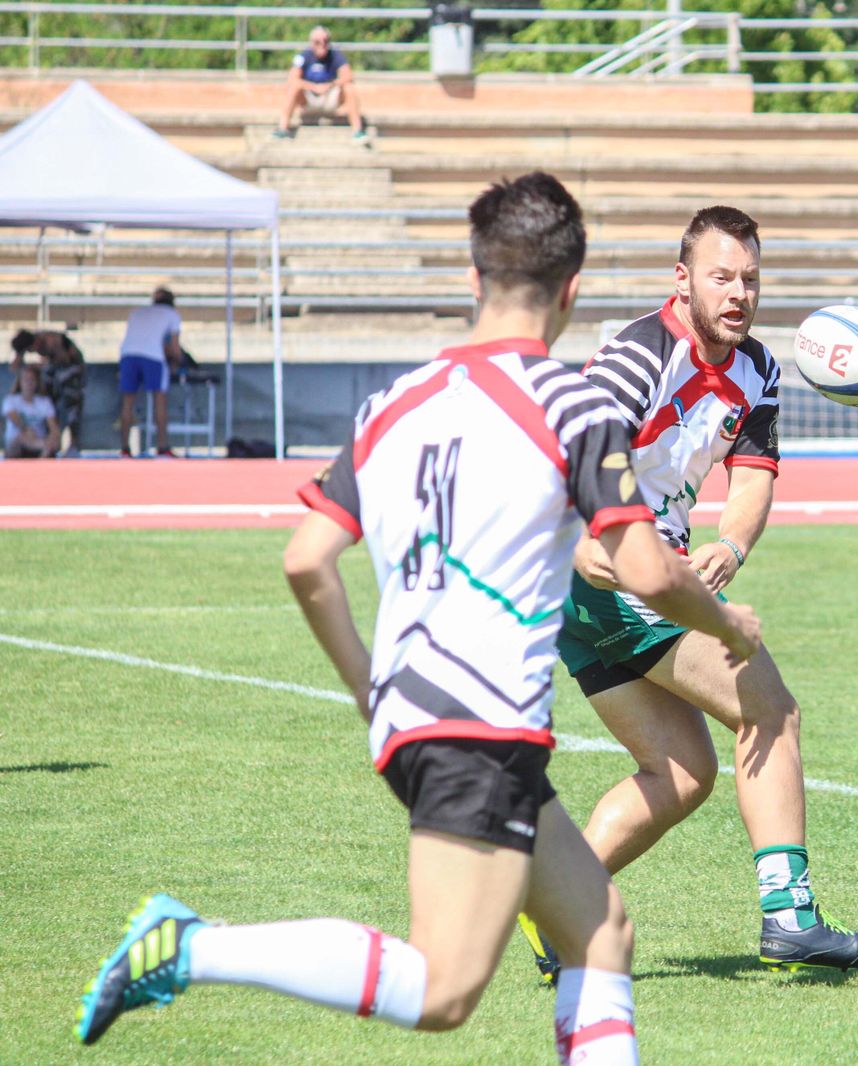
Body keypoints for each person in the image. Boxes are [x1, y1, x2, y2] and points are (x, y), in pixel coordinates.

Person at [75, 172, 763, 1060]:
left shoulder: (389, 405)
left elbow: (306, 558)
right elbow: (645, 571)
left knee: (599, 934)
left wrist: (371, 689)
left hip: (423, 712)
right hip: (482, 722)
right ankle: (190, 946)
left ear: (475, 281)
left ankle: (190, 944)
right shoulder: (572, 403)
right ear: (573, 290)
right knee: (442, 989)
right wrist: (727, 625)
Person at [517, 205, 858, 979]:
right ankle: (790, 920)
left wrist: (732, 542)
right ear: (683, 278)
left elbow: (754, 473)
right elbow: (582, 447)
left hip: (608, 583)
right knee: (770, 708)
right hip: (609, 567)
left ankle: (554, 910)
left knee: (682, 772)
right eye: (722, 277)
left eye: (751, 279)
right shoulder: (639, 354)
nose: (739, 293)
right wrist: (602, 538)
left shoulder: (757, 368)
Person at [117, 287, 182, 458]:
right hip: (153, 356)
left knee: (127, 402)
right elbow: (175, 348)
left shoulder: (137, 312)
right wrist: (181, 361)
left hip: (128, 355)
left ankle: (124, 448)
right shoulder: (171, 314)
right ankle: (162, 447)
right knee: (159, 400)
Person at [274, 26, 367, 141]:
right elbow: (292, 78)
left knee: (349, 87)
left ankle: (358, 131)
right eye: (318, 42)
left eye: (326, 41)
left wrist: (330, 85)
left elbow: (348, 76)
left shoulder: (335, 55)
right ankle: (282, 128)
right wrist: (313, 87)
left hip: (330, 97)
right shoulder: (303, 56)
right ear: (311, 43)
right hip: (309, 99)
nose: (322, 44)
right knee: (293, 87)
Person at [12, 328, 84, 455]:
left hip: (72, 368)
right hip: (57, 372)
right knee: (50, 403)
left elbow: (64, 360)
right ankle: (51, 442)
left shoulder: (51, 340)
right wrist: (20, 356)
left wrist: (41, 365)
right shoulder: (31, 346)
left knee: (73, 406)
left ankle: (73, 443)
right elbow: (14, 367)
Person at [4, 363, 59, 458]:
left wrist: (54, 437)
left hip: (39, 445)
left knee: (52, 443)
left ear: (37, 382)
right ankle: (43, 446)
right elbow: (14, 418)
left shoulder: (45, 402)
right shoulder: (10, 401)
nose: (29, 383)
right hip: (16, 447)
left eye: (32, 379)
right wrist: (27, 430)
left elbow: (53, 426)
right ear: (20, 382)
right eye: (25, 379)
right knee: (21, 437)